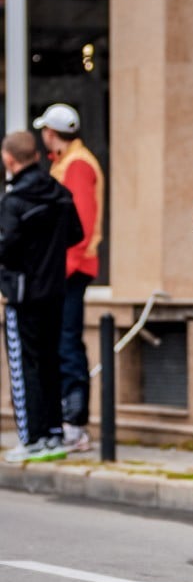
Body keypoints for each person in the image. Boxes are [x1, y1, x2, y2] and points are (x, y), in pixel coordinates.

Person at [0, 131, 83, 462]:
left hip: (23, 295)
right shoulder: (59, 193)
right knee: (50, 361)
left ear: (10, 160)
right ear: (36, 155)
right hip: (55, 292)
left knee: (25, 366)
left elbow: (4, 247)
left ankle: (31, 438)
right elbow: (76, 233)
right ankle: (53, 435)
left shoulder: (14, 201)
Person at [33, 103, 104, 453]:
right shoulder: (67, 161)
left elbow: (80, 226)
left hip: (69, 272)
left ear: (50, 132)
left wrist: (58, 272)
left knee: (67, 344)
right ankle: (69, 423)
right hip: (65, 270)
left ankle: (75, 426)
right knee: (63, 343)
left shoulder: (77, 164)